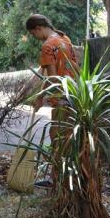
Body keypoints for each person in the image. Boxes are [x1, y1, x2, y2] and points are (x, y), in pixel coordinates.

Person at [24, 14, 79, 187]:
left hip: (61, 99)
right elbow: (75, 69)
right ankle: (68, 178)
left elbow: (53, 78)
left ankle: (57, 181)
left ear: (38, 28)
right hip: (75, 95)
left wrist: (40, 98)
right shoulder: (65, 39)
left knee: (57, 138)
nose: (36, 38)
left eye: (34, 34)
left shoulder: (48, 46)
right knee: (68, 139)